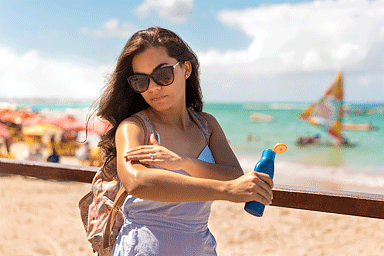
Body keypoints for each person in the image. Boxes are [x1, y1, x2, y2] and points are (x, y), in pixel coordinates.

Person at [91, 27, 273, 255]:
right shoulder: (134, 127)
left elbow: (235, 176)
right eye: (141, 81)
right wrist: (225, 190)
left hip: (200, 248)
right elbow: (137, 182)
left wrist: (183, 162)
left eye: (163, 75)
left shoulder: (207, 126)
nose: (154, 88)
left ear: (186, 69)